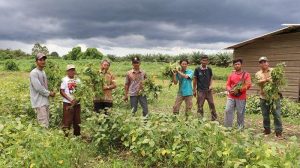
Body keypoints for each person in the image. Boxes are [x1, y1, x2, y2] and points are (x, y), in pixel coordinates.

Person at [255, 56, 283, 138]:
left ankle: (278, 132)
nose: (263, 63)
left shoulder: (274, 71)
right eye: (261, 62)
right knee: (265, 115)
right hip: (263, 97)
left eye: (265, 62)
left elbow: (279, 81)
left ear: (268, 63)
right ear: (259, 64)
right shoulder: (258, 74)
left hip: (274, 96)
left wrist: (275, 80)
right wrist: (266, 80)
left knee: (277, 114)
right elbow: (258, 82)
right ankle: (267, 130)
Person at [29, 53, 55, 128]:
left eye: (44, 60)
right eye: (40, 60)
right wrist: (50, 93)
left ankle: (45, 139)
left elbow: (44, 86)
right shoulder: (34, 73)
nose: (43, 61)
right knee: (43, 125)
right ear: (36, 62)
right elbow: (39, 88)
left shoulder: (43, 72)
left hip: (44, 101)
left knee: (46, 122)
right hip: (39, 102)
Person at [224, 59, 251, 129]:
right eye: (235, 64)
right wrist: (230, 90)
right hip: (231, 96)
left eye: (238, 64)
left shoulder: (246, 74)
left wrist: (239, 90)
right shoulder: (231, 75)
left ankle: (240, 128)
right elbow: (227, 84)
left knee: (240, 113)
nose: (237, 65)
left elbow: (248, 85)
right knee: (228, 110)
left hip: (241, 97)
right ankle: (227, 127)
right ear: (233, 66)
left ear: (241, 65)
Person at [193, 55, 217, 120]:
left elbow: (211, 77)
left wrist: (211, 85)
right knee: (200, 105)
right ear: (201, 61)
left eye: (206, 60)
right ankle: (200, 119)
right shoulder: (197, 69)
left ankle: (214, 118)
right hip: (200, 91)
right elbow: (195, 80)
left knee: (211, 104)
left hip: (208, 91)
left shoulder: (209, 69)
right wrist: (194, 90)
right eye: (203, 60)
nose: (204, 62)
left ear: (208, 61)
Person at [60, 64, 81, 136]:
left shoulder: (78, 80)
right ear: (67, 71)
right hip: (67, 104)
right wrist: (70, 100)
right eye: (70, 70)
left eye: (73, 70)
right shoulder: (64, 80)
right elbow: (62, 91)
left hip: (77, 104)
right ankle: (65, 137)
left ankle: (77, 136)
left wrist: (76, 99)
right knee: (67, 121)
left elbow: (81, 91)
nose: (72, 71)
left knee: (77, 121)